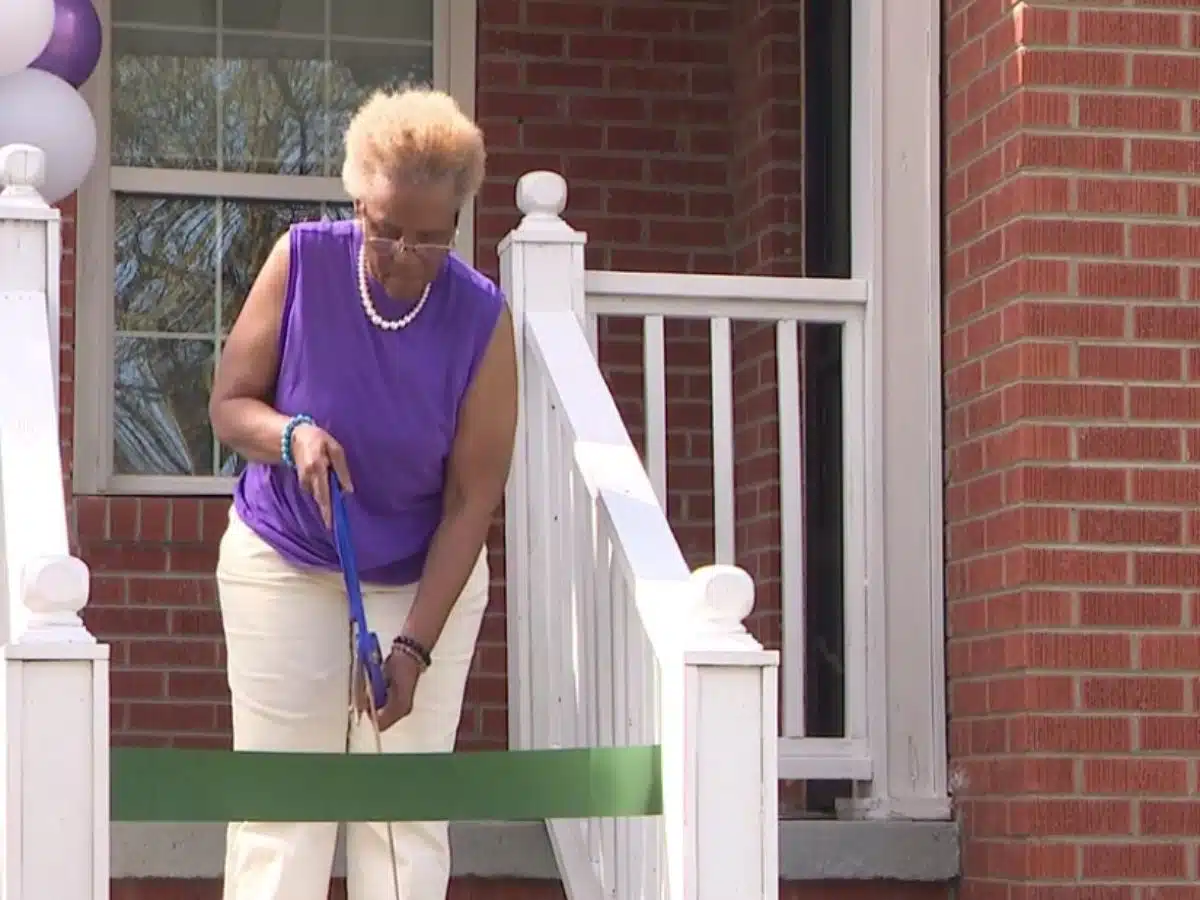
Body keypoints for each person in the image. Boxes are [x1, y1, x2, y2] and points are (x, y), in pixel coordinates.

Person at [209, 86, 517, 900]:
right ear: (356, 200)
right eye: (384, 230)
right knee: (284, 808)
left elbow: (471, 500)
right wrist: (290, 436)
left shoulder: (482, 317)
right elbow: (229, 402)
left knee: (403, 814)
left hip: (424, 570)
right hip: (285, 558)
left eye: (430, 238)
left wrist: (413, 647)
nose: (403, 254)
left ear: (458, 220)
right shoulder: (304, 259)